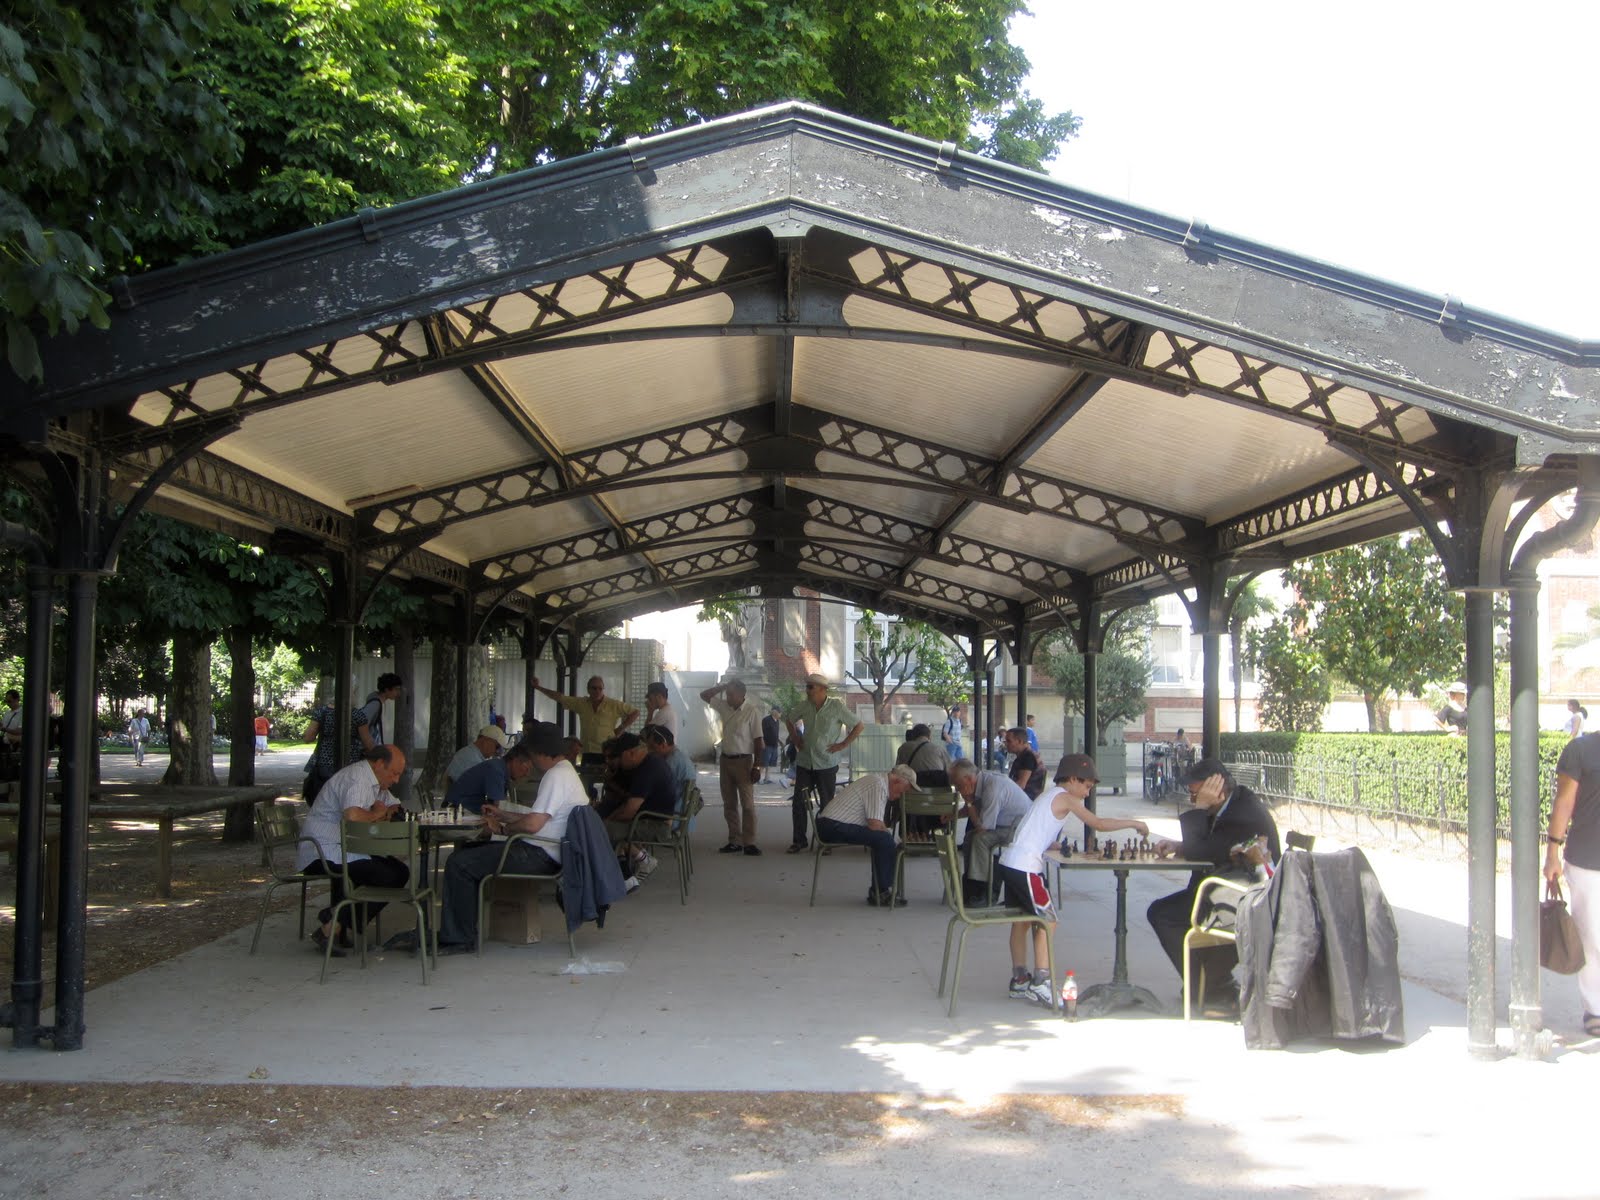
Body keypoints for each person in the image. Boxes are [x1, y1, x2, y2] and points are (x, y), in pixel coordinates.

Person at [399, 725, 584, 957]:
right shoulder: (565, 772)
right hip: (549, 849)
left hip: (540, 855)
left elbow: (532, 825)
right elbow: (538, 819)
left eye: (533, 757)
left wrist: (504, 829)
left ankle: (460, 938)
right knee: (472, 854)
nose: (533, 765)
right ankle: (461, 931)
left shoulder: (555, 776)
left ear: (540, 752)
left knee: (460, 863)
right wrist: (505, 816)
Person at [998, 754, 1150, 1005]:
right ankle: (1042, 982)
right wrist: (1135, 823)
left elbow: (1035, 828)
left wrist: (1051, 842)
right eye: (1086, 786)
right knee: (1048, 920)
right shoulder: (1065, 797)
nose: (1087, 792)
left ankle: (1020, 979)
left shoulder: (1048, 795)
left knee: (1022, 923)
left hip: (1010, 863)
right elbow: (1098, 823)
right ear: (1071, 779)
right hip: (1026, 866)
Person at [1147, 757, 1281, 1014]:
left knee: (1162, 914)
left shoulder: (1243, 813)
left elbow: (1202, 852)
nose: (1193, 797)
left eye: (1196, 792)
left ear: (1217, 789)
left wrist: (1200, 808)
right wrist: (1180, 846)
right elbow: (1214, 845)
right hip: (1234, 891)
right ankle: (1208, 985)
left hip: (1243, 901)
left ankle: (1212, 986)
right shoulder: (1234, 803)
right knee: (1173, 909)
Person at [297, 745, 408, 956]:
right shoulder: (358, 779)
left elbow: (394, 806)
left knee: (400, 871)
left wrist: (387, 811)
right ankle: (334, 924)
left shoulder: (376, 782)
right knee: (386, 875)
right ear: (378, 764)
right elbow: (354, 817)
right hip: (323, 849)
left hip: (346, 847)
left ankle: (333, 924)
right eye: (394, 773)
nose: (396, 780)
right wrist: (377, 814)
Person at [1545, 726, 1600, 1037]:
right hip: (1588, 862)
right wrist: (1552, 852)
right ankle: (1596, 1008)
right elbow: (1564, 803)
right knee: (1592, 938)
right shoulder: (1581, 750)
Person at [815, 764, 918, 907]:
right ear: (897, 781)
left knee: (885, 840)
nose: (901, 795)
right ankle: (881, 892)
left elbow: (877, 823)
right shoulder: (878, 785)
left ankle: (879, 890)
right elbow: (875, 824)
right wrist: (893, 839)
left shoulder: (878, 782)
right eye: (903, 791)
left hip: (830, 824)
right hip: (832, 826)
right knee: (884, 840)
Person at [784, 674, 864, 853]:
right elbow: (788, 719)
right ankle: (799, 840)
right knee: (799, 801)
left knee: (827, 804)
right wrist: (796, 738)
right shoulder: (804, 706)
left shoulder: (836, 706)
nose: (807, 690)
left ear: (822, 689)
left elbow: (859, 725)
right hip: (805, 762)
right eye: (807, 686)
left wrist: (843, 744)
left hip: (826, 763)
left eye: (810, 687)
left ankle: (826, 841)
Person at [949, 759, 1032, 901]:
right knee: (969, 838)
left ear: (969, 779)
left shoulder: (992, 788)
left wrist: (968, 801)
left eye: (958, 785)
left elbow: (983, 828)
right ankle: (971, 885)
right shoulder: (982, 781)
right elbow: (975, 811)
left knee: (980, 840)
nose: (957, 790)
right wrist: (952, 816)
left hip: (1021, 831)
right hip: (1007, 826)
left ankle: (985, 891)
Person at [700, 677, 767, 855]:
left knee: (747, 804)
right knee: (729, 803)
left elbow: (759, 741)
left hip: (744, 762)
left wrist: (757, 767)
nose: (727, 697)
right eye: (727, 694)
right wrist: (722, 686)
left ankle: (749, 842)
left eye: (730, 694)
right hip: (725, 761)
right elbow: (704, 695)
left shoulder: (752, 712)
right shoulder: (724, 706)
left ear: (741, 695)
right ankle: (734, 840)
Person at [532, 675, 638, 762]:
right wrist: (538, 687)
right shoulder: (582, 704)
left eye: (600, 688)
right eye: (594, 688)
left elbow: (635, 712)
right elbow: (560, 697)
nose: (597, 691)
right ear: (588, 689)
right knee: (587, 782)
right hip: (588, 752)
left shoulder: (613, 704)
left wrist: (621, 728)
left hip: (607, 753)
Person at [446, 740, 536, 814]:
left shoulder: (500, 769)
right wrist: (527, 813)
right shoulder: (495, 769)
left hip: (467, 813)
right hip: (456, 815)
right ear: (515, 761)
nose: (527, 774)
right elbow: (499, 806)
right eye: (526, 769)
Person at [643, 723, 696, 796]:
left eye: (652, 747)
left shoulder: (672, 761)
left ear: (663, 745)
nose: (649, 751)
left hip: (675, 804)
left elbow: (657, 786)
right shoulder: (676, 753)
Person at [1004, 726, 1044, 799]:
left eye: (1009, 741)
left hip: (1026, 800)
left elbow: (1021, 784)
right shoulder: (1026, 755)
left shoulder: (1027, 757)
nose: (1006, 744)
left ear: (1020, 741)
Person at [761, 705, 782, 769]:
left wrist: (779, 742)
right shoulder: (766, 720)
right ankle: (758, 777)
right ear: (775, 712)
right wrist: (762, 742)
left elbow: (775, 733)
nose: (780, 715)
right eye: (780, 713)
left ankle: (767, 777)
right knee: (764, 762)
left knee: (771, 763)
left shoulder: (777, 721)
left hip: (774, 745)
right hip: (767, 745)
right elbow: (761, 732)